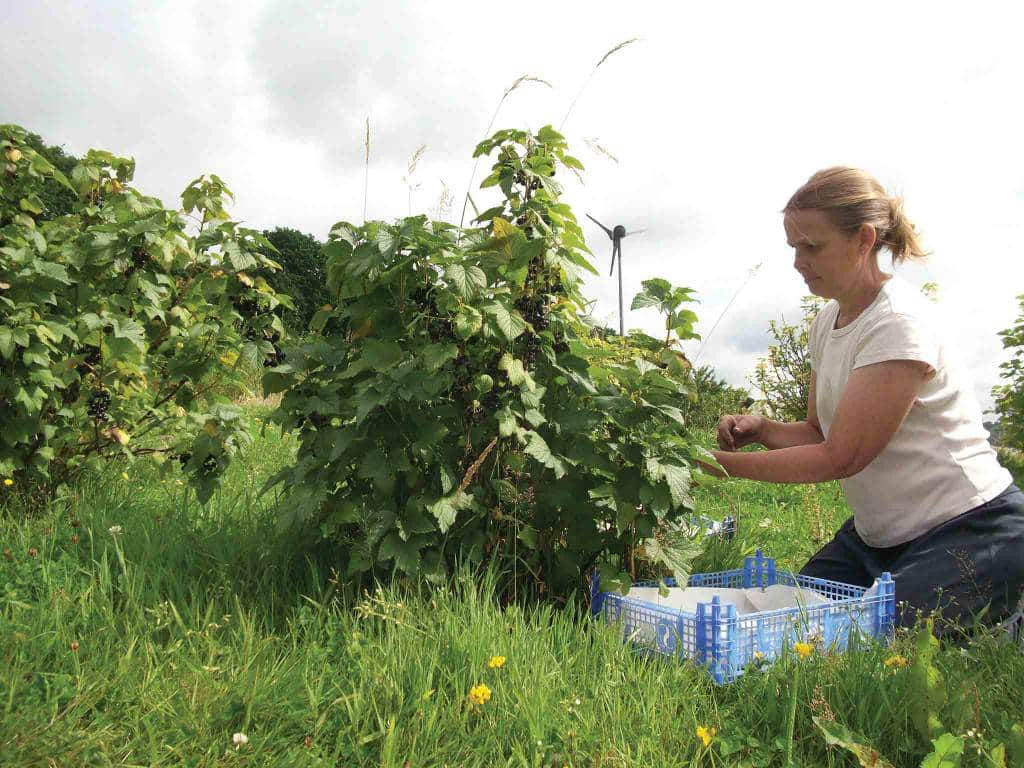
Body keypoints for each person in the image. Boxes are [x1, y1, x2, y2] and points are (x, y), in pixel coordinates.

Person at [710, 166, 1024, 632]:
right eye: (794, 248)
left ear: (863, 240)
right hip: (874, 539)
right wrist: (765, 430)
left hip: (969, 528)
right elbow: (820, 431)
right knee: (791, 626)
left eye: (812, 246)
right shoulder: (826, 324)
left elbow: (842, 456)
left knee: (868, 638)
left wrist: (714, 464)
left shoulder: (898, 321)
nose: (799, 261)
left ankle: (1009, 612)